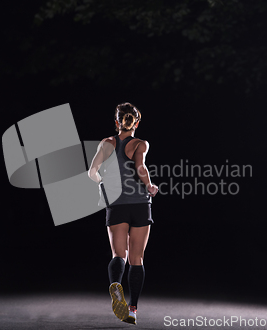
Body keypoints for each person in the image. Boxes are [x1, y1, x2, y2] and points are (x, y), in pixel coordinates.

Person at [88, 102, 159, 325]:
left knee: (119, 254)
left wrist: (103, 183)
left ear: (117, 122)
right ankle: (133, 309)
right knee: (137, 258)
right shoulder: (141, 143)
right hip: (139, 203)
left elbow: (92, 172)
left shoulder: (107, 143)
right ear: (136, 122)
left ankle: (115, 284)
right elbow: (140, 167)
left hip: (116, 203)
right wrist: (150, 186)